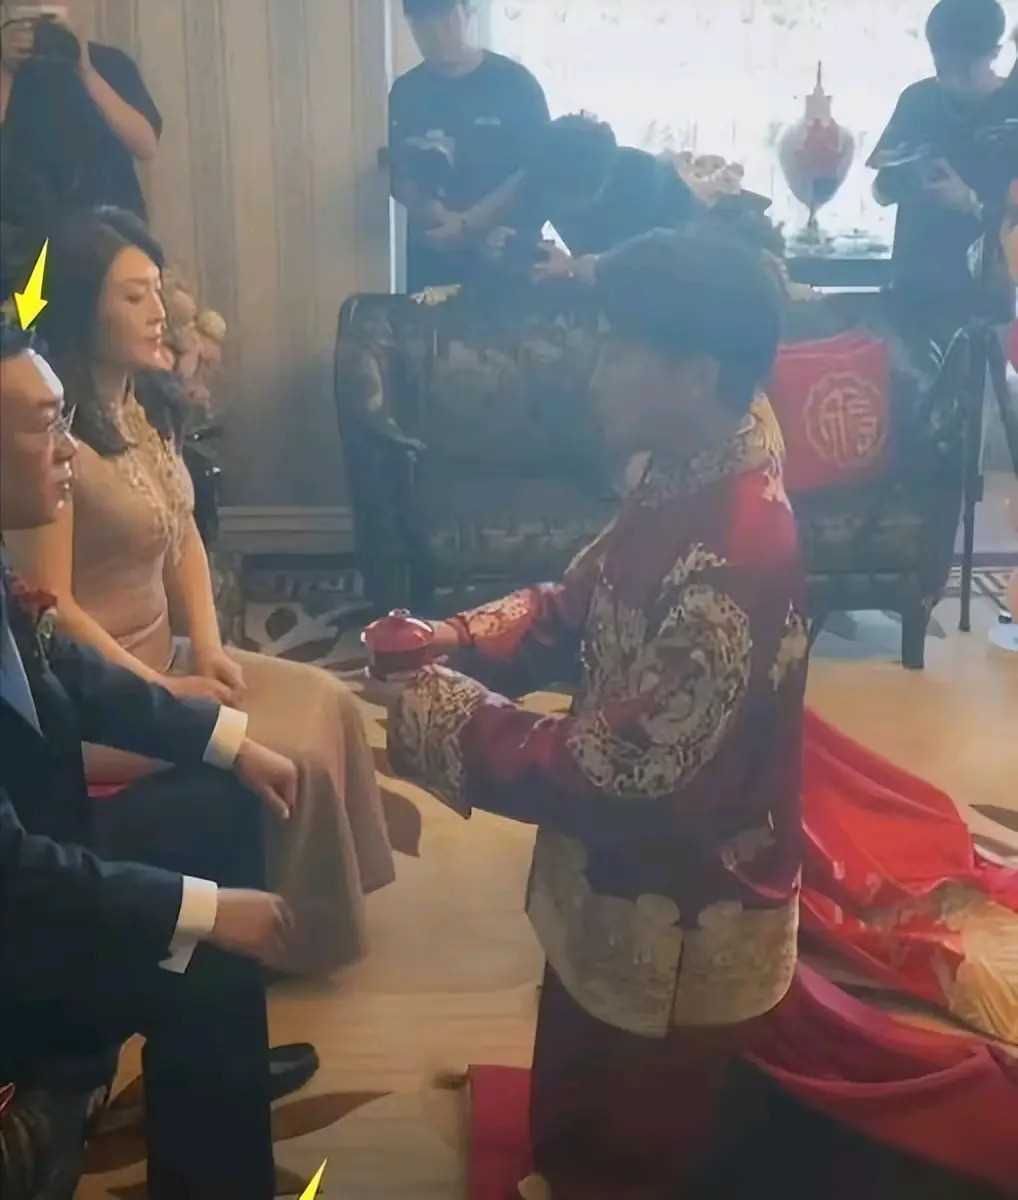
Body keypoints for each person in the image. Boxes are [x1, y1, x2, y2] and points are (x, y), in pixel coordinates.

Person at [383, 227, 810, 1197]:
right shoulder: (685, 468)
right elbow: (579, 602)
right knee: (577, 1070)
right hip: (620, 865)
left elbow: (616, 769)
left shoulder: (737, 553)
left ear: (696, 373)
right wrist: (454, 636)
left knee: (641, 1139)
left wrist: (441, 709)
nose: (596, 367)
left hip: (683, 893)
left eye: (619, 347)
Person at [4, 209, 396, 976]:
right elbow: (53, 610)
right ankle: (275, 943)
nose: (159, 312)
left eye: (158, 290)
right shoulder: (54, 447)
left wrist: (210, 648)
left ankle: (319, 915)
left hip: (168, 658)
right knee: (290, 753)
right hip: (109, 694)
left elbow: (182, 530)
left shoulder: (139, 411)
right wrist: (165, 688)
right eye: (134, 296)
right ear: (81, 308)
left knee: (329, 701)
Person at [0, 321, 297, 1198]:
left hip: (43, 855)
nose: (68, 450)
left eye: (66, 420)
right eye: (44, 426)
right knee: (206, 954)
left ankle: (220, 1069)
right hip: (17, 917)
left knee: (223, 797)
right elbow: (9, 870)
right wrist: (203, 911)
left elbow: (68, 666)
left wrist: (228, 742)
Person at [868, 0, 1018, 336]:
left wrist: (970, 202)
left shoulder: (1013, 107)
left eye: (964, 69)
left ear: (995, 53)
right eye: (942, 66)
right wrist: (904, 179)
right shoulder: (917, 101)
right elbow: (879, 192)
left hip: (989, 297)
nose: (951, 80)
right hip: (913, 288)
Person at [389, 0, 549, 292]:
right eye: (421, 24)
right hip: (430, 260)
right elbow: (395, 170)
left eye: (445, 18)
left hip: (505, 259)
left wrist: (469, 225)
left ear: (468, 12)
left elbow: (537, 172)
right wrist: (437, 215)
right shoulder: (405, 92)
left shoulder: (515, 84)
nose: (436, 33)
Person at [0, 0, 160, 224]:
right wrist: (5, 69)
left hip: (110, 225)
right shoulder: (7, 68)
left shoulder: (110, 62)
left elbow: (146, 145)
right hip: (25, 229)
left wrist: (86, 69)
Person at [513, 114, 703, 285]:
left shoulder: (643, 183)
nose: (555, 206)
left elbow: (627, 266)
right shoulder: (551, 165)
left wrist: (572, 266)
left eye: (564, 199)